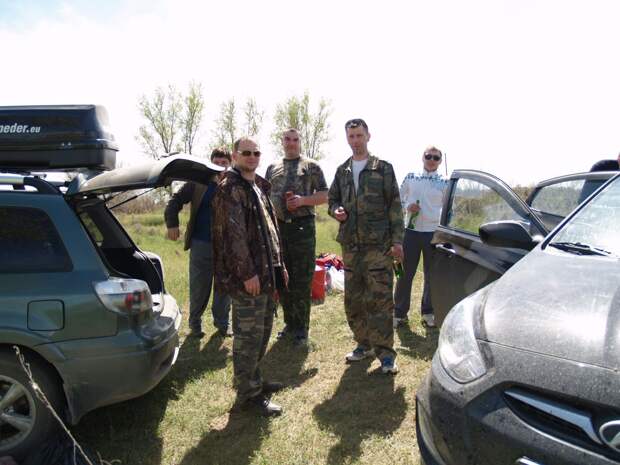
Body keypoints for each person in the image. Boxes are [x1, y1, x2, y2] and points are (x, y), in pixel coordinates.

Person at [212, 136, 288, 417]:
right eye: (246, 152)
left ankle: (255, 380)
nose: (252, 157)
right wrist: (247, 274)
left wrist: (280, 267)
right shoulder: (230, 189)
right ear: (235, 155)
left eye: (256, 152)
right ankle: (248, 395)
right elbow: (234, 237)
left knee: (262, 332)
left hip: (267, 275)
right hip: (249, 279)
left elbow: (270, 233)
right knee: (247, 337)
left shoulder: (257, 187)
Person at [328, 118, 404, 374]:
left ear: (368, 137)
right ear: (347, 139)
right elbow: (332, 200)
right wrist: (335, 209)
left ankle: (386, 354)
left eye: (359, 136)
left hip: (378, 246)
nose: (355, 141)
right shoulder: (342, 171)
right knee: (354, 300)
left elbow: (394, 205)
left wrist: (397, 241)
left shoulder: (382, 168)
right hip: (351, 246)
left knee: (380, 300)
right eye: (351, 136)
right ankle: (364, 345)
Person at [265, 128, 328, 346]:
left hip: (302, 228)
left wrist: (302, 201)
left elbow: (325, 195)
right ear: (282, 141)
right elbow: (264, 197)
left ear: (300, 142)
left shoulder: (311, 166)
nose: (291, 143)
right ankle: (289, 323)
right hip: (278, 228)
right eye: (287, 139)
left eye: (295, 140)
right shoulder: (272, 168)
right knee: (283, 277)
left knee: (301, 278)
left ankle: (301, 328)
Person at [164, 147, 232, 338]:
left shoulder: (235, 184)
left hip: (226, 247)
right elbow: (175, 201)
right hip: (201, 243)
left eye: (224, 163)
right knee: (199, 286)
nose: (220, 166)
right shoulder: (197, 183)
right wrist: (172, 223)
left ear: (230, 164)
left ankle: (223, 324)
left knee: (223, 287)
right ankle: (195, 324)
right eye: (216, 162)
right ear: (210, 163)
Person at [394, 146, 448, 329]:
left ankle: (428, 313)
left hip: (434, 233)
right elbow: (397, 200)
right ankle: (399, 313)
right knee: (402, 273)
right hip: (411, 232)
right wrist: (408, 206)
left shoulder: (445, 182)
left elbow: (450, 210)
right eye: (428, 156)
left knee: (432, 275)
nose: (431, 160)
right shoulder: (411, 177)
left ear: (440, 161)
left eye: (436, 157)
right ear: (422, 157)